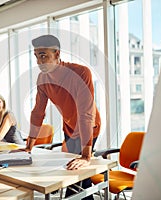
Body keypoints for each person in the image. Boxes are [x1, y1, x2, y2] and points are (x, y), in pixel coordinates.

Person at [25, 34, 101, 199]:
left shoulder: (81, 72)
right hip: (69, 128)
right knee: (75, 174)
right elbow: (38, 112)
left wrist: (86, 156)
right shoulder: (42, 79)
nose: (39, 62)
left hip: (89, 127)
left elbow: (86, 114)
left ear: (57, 54)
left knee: (78, 176)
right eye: (36, 56)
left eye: (43, 56)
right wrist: (29, 146)